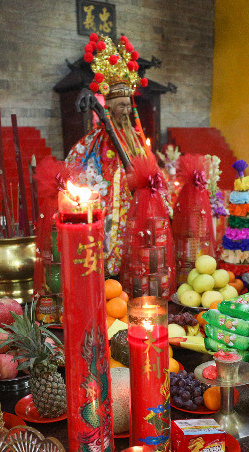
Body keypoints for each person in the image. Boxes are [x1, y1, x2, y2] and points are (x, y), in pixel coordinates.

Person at [66, 34, 151, 275]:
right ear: (109, 108)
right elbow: (83, 172)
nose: (125, 111)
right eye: (120, 106)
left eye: (128, 105)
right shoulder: (94, 142)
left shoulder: (135, 139)